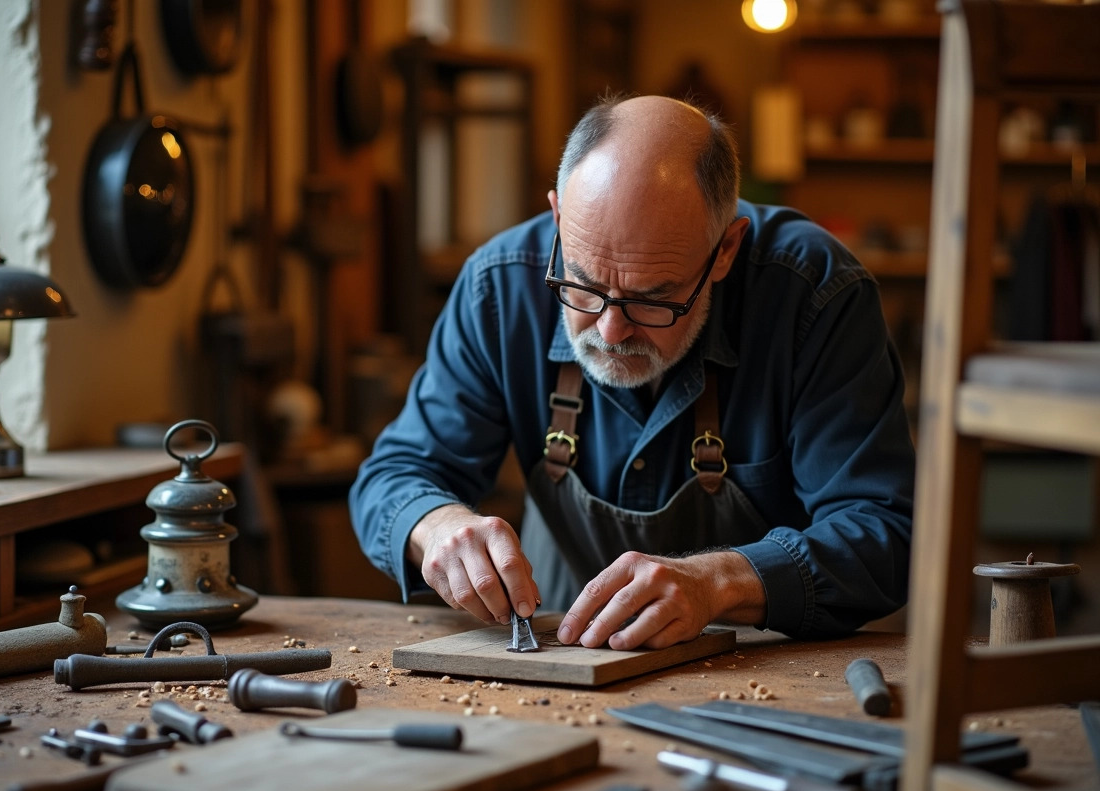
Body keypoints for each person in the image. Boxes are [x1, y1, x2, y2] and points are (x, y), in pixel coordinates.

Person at [349, 94, 914, 650]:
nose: (610, 331)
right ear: (559, 217)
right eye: (583, 286)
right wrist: (438, 525)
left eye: (653, 299)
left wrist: (718, 583)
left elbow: (884, 534)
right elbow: (394, 476)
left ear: (725, 250)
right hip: (563, 650)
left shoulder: (814, 295)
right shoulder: (499, 288)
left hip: (760, 663)